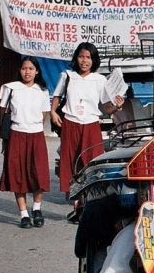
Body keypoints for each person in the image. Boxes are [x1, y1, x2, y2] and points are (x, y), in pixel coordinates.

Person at [51, 42, 122, 222]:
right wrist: (52, 112)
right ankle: (76, 205)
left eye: (88, 57)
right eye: (81, 56)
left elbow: (106, 106)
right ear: (76, 58)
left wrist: (117, 107)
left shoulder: (100, 80)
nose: (84, 61)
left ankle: (88, 204)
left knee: (91, 163)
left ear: (93, 60)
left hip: (91, 124)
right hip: (71, 122)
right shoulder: (67, 76)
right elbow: (57, 96)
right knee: (72, 162)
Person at [0, 56, 51, 228]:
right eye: (24, 68)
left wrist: (33, 126)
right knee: (17, 174)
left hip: (36, 135)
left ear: (37, 71)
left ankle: (37, 208)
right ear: (19, 70)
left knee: (39, 173)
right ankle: (23, 214)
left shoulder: (42, 91)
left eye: (30, 69)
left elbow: (44, 115)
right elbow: (3, 112)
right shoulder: (10, 88)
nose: (27, 72)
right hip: (16, 135)